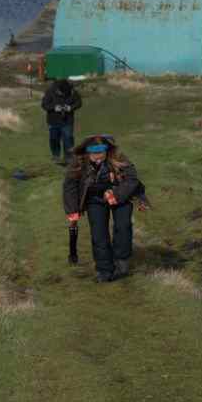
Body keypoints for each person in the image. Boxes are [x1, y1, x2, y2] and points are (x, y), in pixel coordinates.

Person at [63, 135, 141, 282]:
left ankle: (121, 262)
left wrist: (115, 194)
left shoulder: (118, 157)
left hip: (120, 196)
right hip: (94, 200)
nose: (98, 159)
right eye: (94, 156)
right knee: (99, 234)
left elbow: (132, 179)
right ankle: (104, 270)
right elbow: (70, 187)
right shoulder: (78, 163)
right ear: (88, 153)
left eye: (101, 156)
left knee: (123, 226)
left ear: (107, 151)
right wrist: (72, 210)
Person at [41, 75, 83, 163]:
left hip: (67, 120)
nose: (63, 95)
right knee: (54, 139)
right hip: (53, 121)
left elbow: (78, 102)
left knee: (68, 138)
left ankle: (69, 157)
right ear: (57, 90)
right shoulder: (50, 91)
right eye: (61, 94)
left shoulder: (72, 91)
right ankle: (56, 156)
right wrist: (54, 108)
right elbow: (44, 105)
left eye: (65, 94)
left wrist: (70, 108)